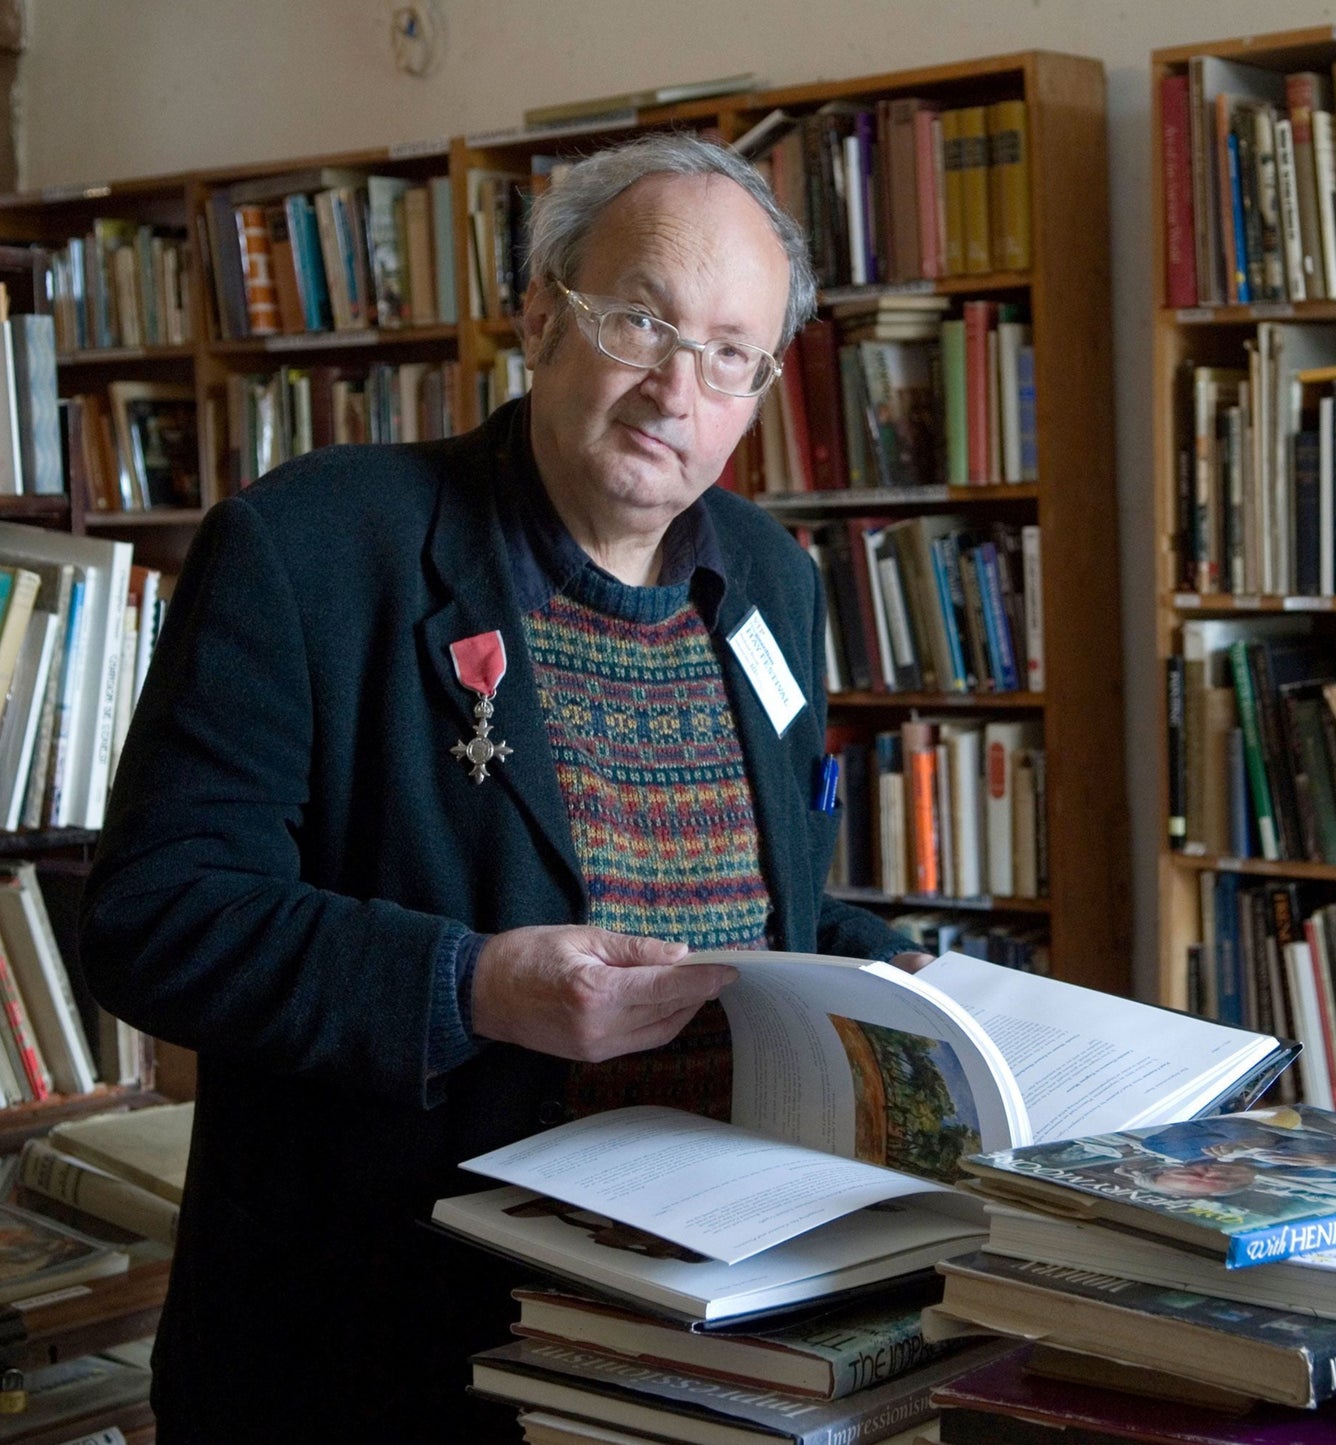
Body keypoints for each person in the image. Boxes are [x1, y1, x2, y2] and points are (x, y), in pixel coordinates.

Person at [78, 134, 927, 1443]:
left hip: (711, 1343)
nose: (672, 390)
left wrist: (894, 974)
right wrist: (468, 985)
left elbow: (781, 910)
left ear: (760, 383)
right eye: (639, 318)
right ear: (540, 309)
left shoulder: (771, 581)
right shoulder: (315, 547)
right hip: (389, 1352)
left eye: (725, 353)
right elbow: (156, 917)